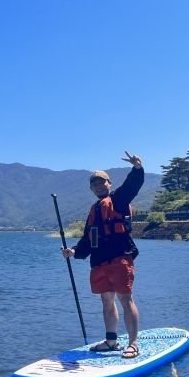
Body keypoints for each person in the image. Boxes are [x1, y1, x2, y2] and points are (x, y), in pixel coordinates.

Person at [62, 151, 144, 358]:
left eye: (102, 182)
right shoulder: (95, 210)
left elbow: (131, 186)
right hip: (99, 262)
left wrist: (137, 168)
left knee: (125, 299)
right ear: (91, 189)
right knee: (106, 300)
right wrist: (74, 251)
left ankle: (133, 344)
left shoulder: (119, 199)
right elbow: (88, 239)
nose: (98, 186)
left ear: (109, 183)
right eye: (94, 184)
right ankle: (111, 341)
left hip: (120, 257)